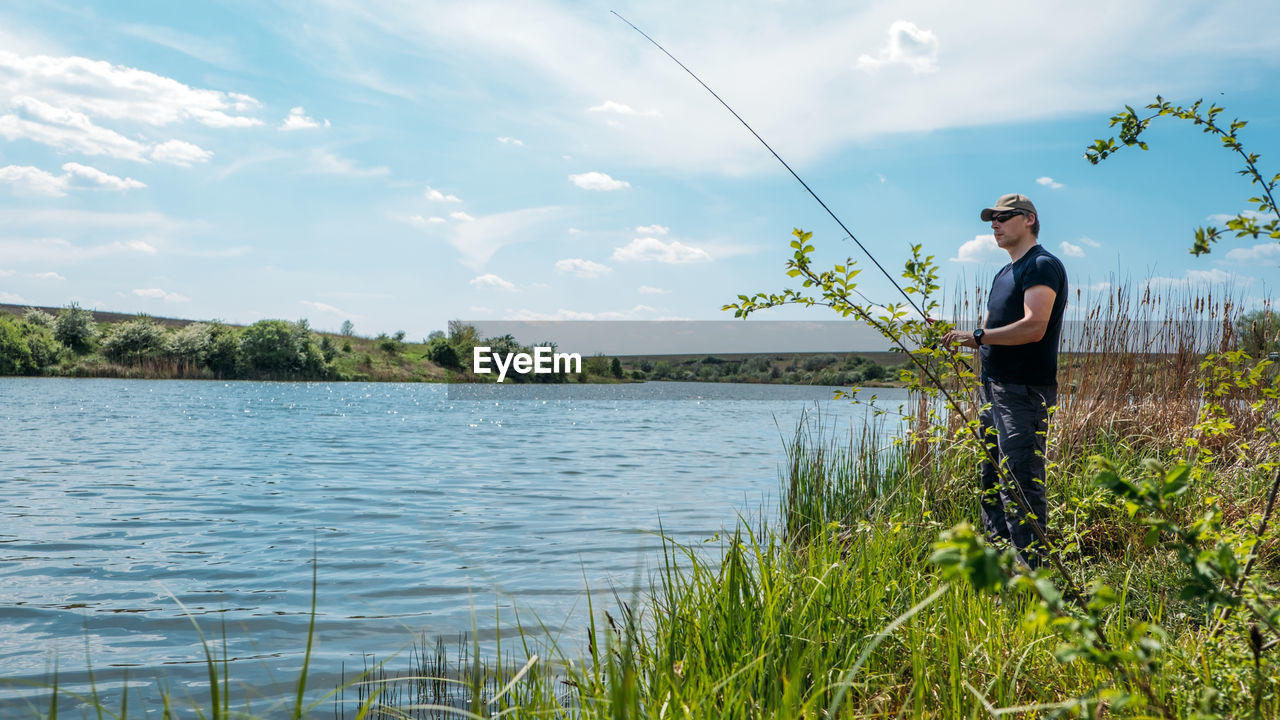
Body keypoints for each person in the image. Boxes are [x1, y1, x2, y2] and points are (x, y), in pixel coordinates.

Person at [943, 193, 1067, 569]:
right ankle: (1002, 576)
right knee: (993, 484)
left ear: (1029, 219)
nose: (994, 224)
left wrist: (978, 337)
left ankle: (1034, 582)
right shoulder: (1004, 273)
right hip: (994, 392)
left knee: (1020, 484)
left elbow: (1033, 327)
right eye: (990, 219)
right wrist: (960, 337)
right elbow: (993, 331)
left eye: (1003, 217)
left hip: (1023, 393)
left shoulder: (1041, 265)